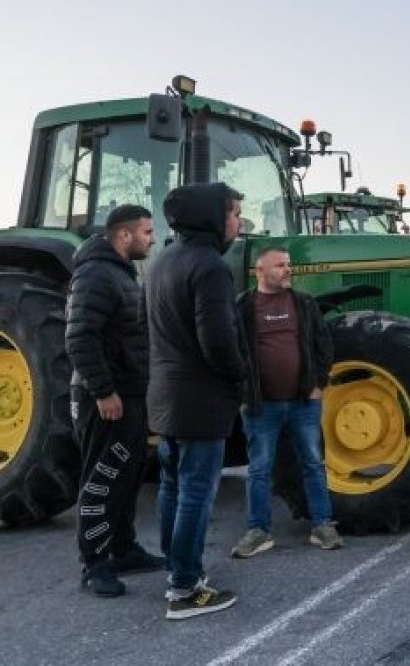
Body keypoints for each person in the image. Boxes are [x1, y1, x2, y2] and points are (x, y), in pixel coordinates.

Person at [146, 182, 247, 620]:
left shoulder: (162, 261)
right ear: (211, 217)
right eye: (233, 214)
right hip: (201, 401)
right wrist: (242, 378)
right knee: (195, 494)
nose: (238, 223)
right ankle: (185, 589)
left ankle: (177, 569)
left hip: (167, 399)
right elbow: (218, 341)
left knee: (172, 487)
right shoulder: (210, 267)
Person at [67, 204, 163, 597]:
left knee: (128, 475)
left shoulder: (120, 272)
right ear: (123, 235)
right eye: (146, 232)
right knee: (103, 478)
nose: (152, 238)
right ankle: (94, 565)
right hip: (106, 398)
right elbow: (80, 338)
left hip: (129, 393)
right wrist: (103, 391)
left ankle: (123, 549)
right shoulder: (94, 275)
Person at [232, 247, 341, 558]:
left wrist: (319, 384)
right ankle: (258, 531)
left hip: (303, 404)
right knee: (259, 469)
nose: (288, 270)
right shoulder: (242, 307)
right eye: (280, 266)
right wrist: (243, 392)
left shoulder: (304, 304)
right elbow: (233, 351)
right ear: (260, 272)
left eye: (288, 265)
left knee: (313, 464)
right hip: (260, 406)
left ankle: (322, 526)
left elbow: (323, 344)